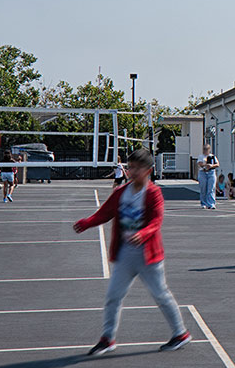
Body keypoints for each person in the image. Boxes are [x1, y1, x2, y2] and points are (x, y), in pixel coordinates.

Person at [73, 150, 188, 355]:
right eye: (130, 167)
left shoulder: (153, 193)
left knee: (160, 294)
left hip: (148, 255)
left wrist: (143, 234)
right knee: (113, 296)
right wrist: (87, 223)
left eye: (137, 168)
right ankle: (108, 338)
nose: (132, 171)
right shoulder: (121, 193)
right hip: (126, 254)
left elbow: (156, 221)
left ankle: (180, 333)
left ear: (148, 170)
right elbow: (105, 213)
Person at [198, 146, 219, 210]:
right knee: (203, 188)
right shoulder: (201, 156)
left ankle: (211, 204)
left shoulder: (212, 156)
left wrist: (211, 165)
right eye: (204, 149)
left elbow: (217, 164)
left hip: (211, 172)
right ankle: (203, 203)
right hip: (203, 172)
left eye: (207, 149)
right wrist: (205, 164)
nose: (205, 150)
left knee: (211, 188)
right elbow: (200, 163)